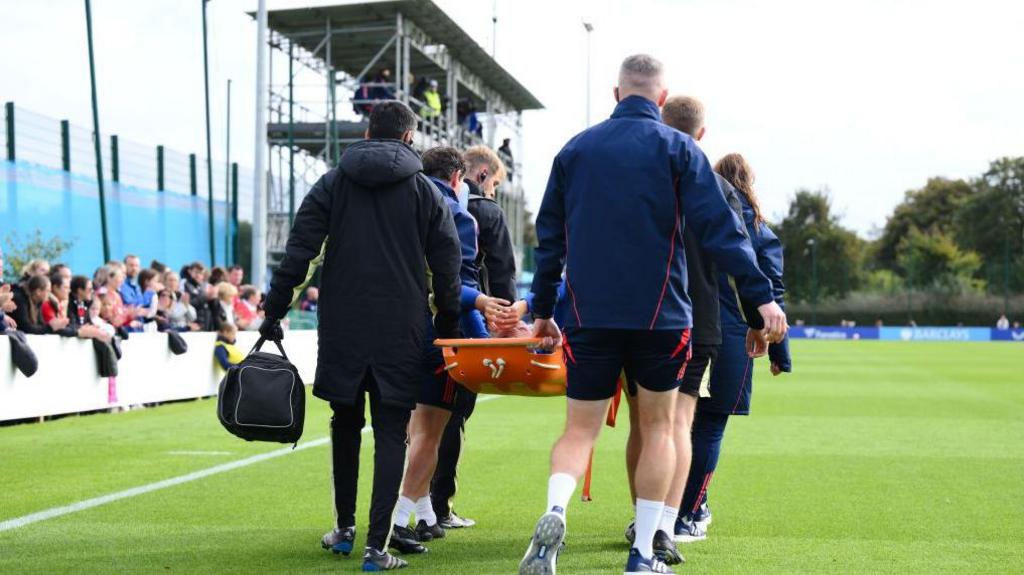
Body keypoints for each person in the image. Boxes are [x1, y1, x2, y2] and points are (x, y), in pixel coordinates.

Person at [521, 54, 787, 575]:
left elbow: (549, 240)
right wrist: (761, 297)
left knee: (579, 432)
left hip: (588, 315)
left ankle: (555, 511)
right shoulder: (679, 148)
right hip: (661, 318)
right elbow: (723, 232)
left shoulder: (575, 149)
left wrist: (545, 311)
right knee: (663, 429)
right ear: (661, 100)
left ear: (617, 95)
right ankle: (644, 550)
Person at [260, 100, 464, 571]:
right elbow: (446, 266)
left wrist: (274, 311)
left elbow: (300, 254)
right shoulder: (425, 193)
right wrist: (448, 322)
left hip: (343, 326)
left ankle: (344, 529)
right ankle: (377, 546)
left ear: (368, 133)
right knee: (393, 432)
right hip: (403, 329)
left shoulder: (332, 183)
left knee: (345, 423)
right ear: (410, 138)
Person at [622, 95, 771, 563]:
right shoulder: (713, 185)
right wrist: (760, 311)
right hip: (695, 318)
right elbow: (738, 252)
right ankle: (663, 527)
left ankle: (641, 521)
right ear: (701, 134)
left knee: (641, 425)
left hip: (635, 316)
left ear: (661, 122)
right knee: (678, 425)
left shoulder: (634, 177)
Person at [392, 146, 508, 550]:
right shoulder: (456, 214)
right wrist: (481, 335)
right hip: (439, 333)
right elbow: (454, 283)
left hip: (392, 329)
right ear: (458, 178)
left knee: (410, 427)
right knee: (431, 430)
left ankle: (423, 515)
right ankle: (400, 519)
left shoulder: (399, 205)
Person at [674, 153, 792, 544]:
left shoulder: (688, 213)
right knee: (708, 426)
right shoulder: (755, 228)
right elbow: (769, 291)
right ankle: (686, 516)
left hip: (676, 330)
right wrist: (780, 352)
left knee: (673, 426)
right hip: (731, 336)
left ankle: (662, 516)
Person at [427, 145, 517, 530]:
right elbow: (501, 273)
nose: (493, 192)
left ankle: (411, 508)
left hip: (415, 323)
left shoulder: (422, 202)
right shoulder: (481, 213)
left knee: (415, 421)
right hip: (463, 324)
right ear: (480, 175)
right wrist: (506, 320)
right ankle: (438, 506)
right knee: (450, 415)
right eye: (494, 183)